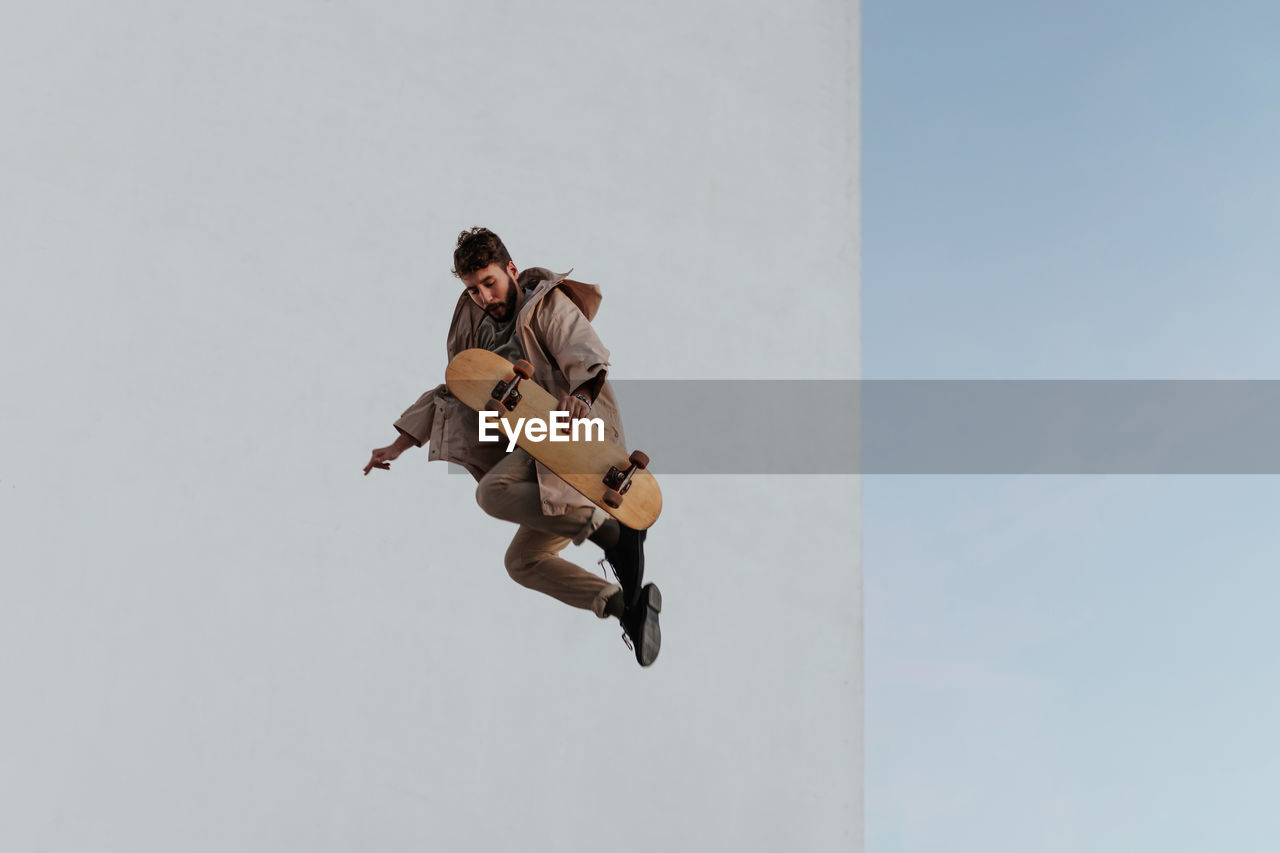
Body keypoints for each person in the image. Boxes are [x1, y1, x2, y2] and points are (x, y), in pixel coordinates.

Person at [363, 227, 661, 666]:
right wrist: (398, 444)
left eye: (490, 282)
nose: (484, 295)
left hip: (569, 435)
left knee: (492, 493)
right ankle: (626, 610)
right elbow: (453, 391)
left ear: (511, 270)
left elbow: (587, 355)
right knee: (522, 562)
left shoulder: (545, 306)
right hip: (533, 456)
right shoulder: (478, 333)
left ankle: (610, 532)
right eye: (473, 288)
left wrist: (579, 396)